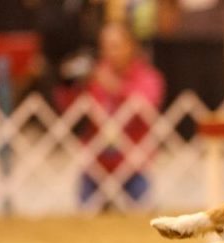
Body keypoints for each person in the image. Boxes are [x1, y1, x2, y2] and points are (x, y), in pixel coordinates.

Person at [61, 22, 165, 210]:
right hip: (96, 166)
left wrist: (114, 87)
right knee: (85, 217)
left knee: (142, 216)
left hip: (133, 165)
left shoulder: (149, 77)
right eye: (105, 47)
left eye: (115, 46)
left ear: (131, 46)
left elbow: (148, 105)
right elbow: (68, 111)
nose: (110, 52)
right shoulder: (92, 76)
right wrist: (69, 85)